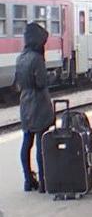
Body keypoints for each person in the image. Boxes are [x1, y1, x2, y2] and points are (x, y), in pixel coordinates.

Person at [16, 22, 54, 193]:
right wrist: (51, 77)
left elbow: (18, 83)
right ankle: (44, 183)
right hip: (39, 103)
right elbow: (41, 82)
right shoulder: (37, 59)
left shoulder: (21, 57)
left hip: (25, 102)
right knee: (41, 143)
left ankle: (28, 180)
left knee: (27, 142)